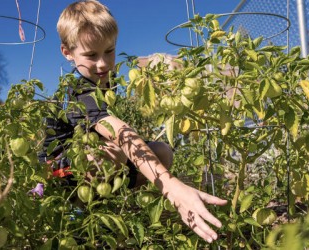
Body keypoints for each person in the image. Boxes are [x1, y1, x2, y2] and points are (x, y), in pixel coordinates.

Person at [44, 0, 227, 243]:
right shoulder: (78, 90)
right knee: (114, 152)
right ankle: (78, 216)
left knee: (161, 151)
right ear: (67, 52)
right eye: (90, 55)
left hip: (92, 166)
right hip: (58, 173)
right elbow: (118, 131)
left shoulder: (106, 81)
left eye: (109, 51)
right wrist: (172, 187)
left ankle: (108, 210)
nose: (102, 63)